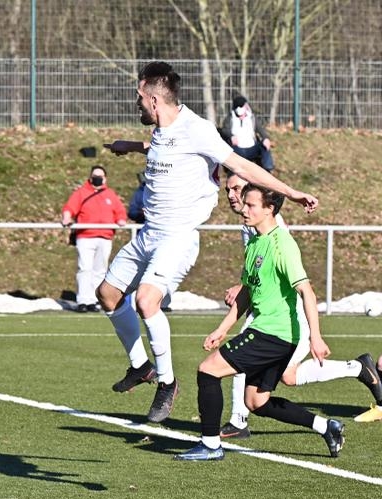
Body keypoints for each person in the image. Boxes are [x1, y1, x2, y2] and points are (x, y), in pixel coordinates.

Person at [101, 61, 318, 424]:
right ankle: (140, 366)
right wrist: (132, 146)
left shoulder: (197, 129)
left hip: (177, 236)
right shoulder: (162, 131)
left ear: (153, 99)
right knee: (107, 294)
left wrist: (292, 193)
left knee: (146, 300)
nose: (136, 103)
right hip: (149, 233)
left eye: (139, 96)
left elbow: (244, 167)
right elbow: (164, 148)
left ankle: (167, 383)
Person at [174, 184, 344, 461]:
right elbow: (246, 293)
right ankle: (327, 427)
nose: (243, 209)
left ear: (269, 209)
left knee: (208, 371)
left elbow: (307, 292)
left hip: (273, 333)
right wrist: (222, 329)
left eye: (251, 205)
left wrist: (316, 336)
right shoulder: (254, 242)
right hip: (274, 335)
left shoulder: (282, 245)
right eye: (244, 203)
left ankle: (210, 445)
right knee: (256, 402)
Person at [218, 170, 382, 438]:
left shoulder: (272, 228)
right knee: (289, 376)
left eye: (237, 189)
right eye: (228, 190)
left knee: (241, 358)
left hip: (285, 313)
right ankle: (357, 368)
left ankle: (238, 420)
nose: (231, 195)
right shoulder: (250, 224)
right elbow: (257, 269)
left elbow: (293, 279)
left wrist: (315, 335)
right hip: (266, 311)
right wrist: (245, 286)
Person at [61, 165, 127, 312]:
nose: (97, 179)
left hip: (105, 237)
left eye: (100, 176)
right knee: (85, 268)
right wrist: (66, 217)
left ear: (105, 178)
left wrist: (121, 219)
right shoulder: (81, 193)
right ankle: (83, 300)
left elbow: (120, 211)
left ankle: (96, 300)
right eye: (95, 176)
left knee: (100, 270)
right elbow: (69, 208)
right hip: (86, 236)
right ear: (90, 178)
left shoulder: (110, 194)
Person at [222, 95, 274, 172]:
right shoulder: (230, 118)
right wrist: (231, 136)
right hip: (237, 149)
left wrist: (265, 138)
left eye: (242, 106)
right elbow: (225, 130)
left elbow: (261, 130)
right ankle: (231, 169)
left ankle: (268, 168)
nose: (240, 109)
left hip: (252, 148)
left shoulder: (252, 118)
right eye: (238, 107)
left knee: (264, 146)